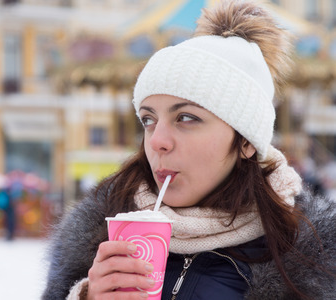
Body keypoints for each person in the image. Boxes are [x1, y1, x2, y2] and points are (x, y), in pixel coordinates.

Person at [43, 1, 336, 299]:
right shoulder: (97, 237)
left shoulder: (308, 257)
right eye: (148, 119)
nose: (158, 141)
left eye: (186, 118)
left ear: (246, 141)